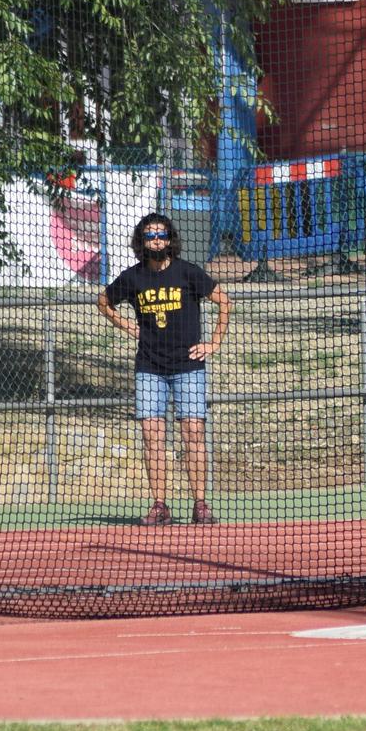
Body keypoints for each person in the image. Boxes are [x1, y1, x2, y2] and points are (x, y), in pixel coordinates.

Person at [97, 212, 232, 525]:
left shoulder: (188, 273)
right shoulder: (133, 277)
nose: (156, 240)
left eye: (161, 235)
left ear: (170, 239)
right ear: (141, 241)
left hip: (188, 366)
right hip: (149, 367)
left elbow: (224, 301)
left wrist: (214, 342)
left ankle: (200, 505)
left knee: (193, 434)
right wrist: (125, 325)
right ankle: (160, 506)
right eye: (149, 236)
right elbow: (103, 301)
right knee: (151, 436)